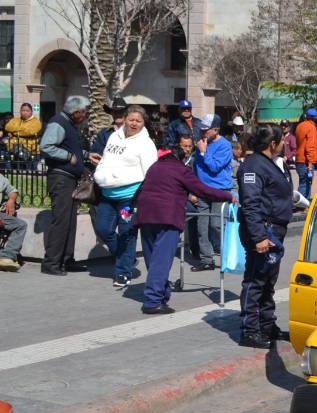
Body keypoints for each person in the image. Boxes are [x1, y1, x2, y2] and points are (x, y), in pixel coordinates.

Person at [135, 144, 234, 314]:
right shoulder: (181, 170)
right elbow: (203, 191)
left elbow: (141, 189)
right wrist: (228, 196)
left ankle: (162, 295)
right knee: (161, 260)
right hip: (167, 217)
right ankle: (152, 301)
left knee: (153, 259)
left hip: (146, 216)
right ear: (180, 158)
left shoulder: (154, 167)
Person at [236, 125, 295, 348]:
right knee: (256, 280)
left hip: (275, 229)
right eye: (281, 141)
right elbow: (250, 203)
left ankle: (267, 325)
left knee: (269, 281)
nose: (284, 144)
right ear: (273, 144)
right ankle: (249, 330)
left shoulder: (270, 164)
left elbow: (272, 195)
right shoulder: (254, 166)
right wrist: (259, 236)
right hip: (263, 231)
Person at [91, 105, 159, 289]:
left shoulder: (146, 144)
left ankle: (123, 272)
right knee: (103, 229)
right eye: (131, 119)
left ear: (143, 123)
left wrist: (144, 197)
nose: (134, 123)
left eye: (138, 121)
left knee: (127, 233)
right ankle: (124, 257)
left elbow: (151, 173)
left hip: (129, 198)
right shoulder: (114, 136)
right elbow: (107, 159)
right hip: (107, 194)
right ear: (125, 119)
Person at [39, 96, 89, 275]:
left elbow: (71, 148)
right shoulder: (58, 123)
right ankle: (51, 263)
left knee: (70, 221)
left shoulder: (69, 125)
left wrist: (86, 155)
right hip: (61, 179)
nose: (86, 116)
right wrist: (68, 157)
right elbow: (46, 146)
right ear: (76, 112)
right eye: (84, 112)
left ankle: (67, 260)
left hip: (69, 179)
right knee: (61, 221)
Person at [189, 114, 234, 272]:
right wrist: (193, 188)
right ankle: (206, 260)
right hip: (202, 190)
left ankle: (226, 254)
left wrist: (203, 152)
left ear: (216, 129)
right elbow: (197, 168)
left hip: (219, 190)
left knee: (216, 225)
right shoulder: (201, 143)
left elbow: (215, 167)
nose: (203, 132)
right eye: (201, 129)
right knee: (202, 227)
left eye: (206, 130)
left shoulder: (225, 145)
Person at [0, 172, 27, 271]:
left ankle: (6, 257)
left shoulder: (0, 178)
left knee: (20, 225)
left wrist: (11, 200)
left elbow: (13, 191)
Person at [295, 108, 317, 200]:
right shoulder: (312, 127)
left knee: (303, 183)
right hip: (306, 162)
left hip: (299, 160)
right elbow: (310, 147)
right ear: (315, 118)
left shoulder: (299, 126)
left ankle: (302, 206)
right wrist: (310, 163)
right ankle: (300, 206)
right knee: (305, 184)